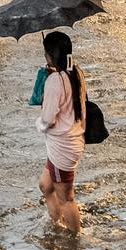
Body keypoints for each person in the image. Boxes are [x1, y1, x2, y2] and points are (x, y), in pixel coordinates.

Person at [36, 30, 86, 232]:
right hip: (72, 140)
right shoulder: (76, 73)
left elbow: (48, 119)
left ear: (49, 55)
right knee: (45, 186)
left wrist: (38, 124)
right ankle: (58, 225)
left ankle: (74, 239)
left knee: (66, 198)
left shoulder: (55, 81)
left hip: (62, 147)